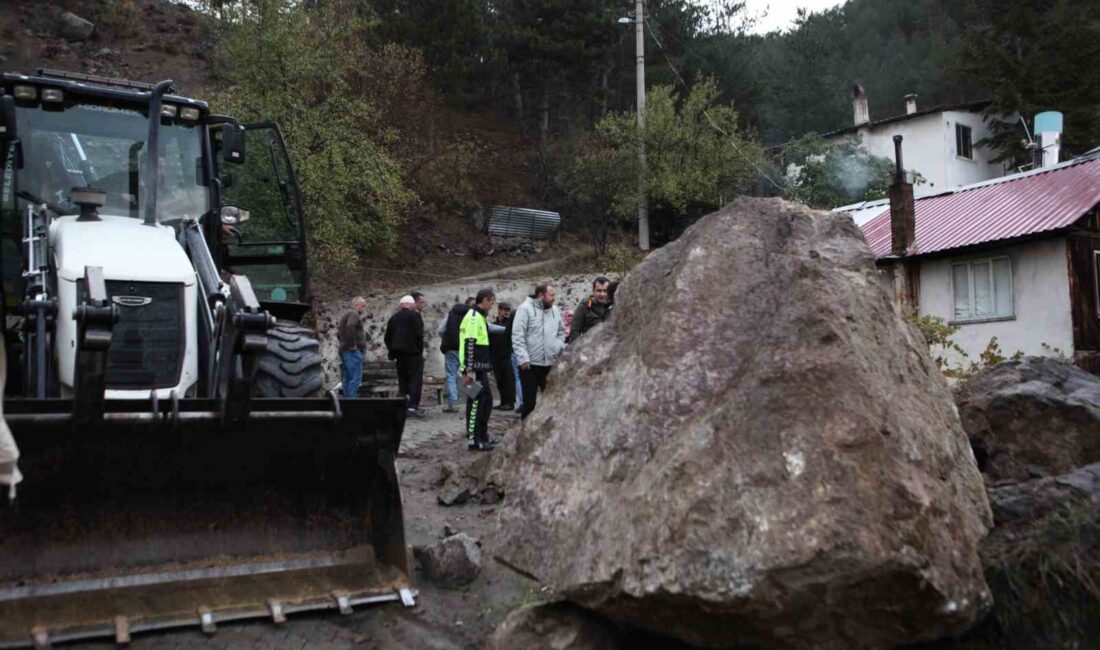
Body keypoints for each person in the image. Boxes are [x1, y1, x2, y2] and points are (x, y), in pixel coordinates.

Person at [512, 282, 565, 420]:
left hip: (550, 364)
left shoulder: (555, 310)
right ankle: (525, 436)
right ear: (541, 295)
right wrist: (523, 359)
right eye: (551, 295)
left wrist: (558, 347)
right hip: (529, 365)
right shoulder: (524, 309)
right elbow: (517, 335)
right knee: (529, 404)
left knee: (553, 402)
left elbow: (561, 332)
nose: (554, 298)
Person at [460, 288, 496, 451]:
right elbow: (470, 343)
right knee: (477, 403)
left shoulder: (479, 317)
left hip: (480, 368)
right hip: (474, 369)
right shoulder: (474, 317)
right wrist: (469, 370)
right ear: (485, 300)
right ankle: (475, 439)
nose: (492, 306)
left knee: (486, 401)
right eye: (492, 302)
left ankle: (482, 435)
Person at [384, 294, 425, 417]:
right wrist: (419, 350)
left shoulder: (394, 318)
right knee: (415, 380)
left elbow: (387, 337)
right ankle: (413, 407)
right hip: (413, 354)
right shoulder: (415, 316)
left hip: (399, 355)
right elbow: (419, 335)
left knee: (403, 381)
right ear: (411, 304)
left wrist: (392, 350)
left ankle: (404, 405)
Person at [438, 296, 475, 413]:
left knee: (451, 376)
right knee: (467, 374)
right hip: (466, 347)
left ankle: (452, 404)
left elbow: (441, 330)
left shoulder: (452, 313)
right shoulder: (472, 316)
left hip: (451, 348)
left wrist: (448, 338)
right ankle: (475, 401)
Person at [337, 296, 367, 397]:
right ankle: (351, 402)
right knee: (355, 378)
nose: (364, 308)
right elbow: (350, 326)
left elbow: (339, 334)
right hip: (351, 351)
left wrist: (345, 343)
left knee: (348, 377)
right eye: (363, 306)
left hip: (345, 349)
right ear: (357, 305)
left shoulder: (347, 315)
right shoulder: (353, 313)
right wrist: (352, 345)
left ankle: (347, 403)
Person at [489, 302, 516, 410]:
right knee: (500, 380)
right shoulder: (493, 324)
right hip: (496, 356)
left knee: (509, 380)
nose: (507, 312)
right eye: (505, 310)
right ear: (499, 310)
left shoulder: (510, 324)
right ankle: (503, 401)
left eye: (508, 310)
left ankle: (510, 403)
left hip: (507, 355)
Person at [570, 276, 614, 341]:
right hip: (590, 347)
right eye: (599, 291)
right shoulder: (584, 307)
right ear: (593, 291)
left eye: (605, 291)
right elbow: (574, 330)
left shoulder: (614, 305)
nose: (602, 294)